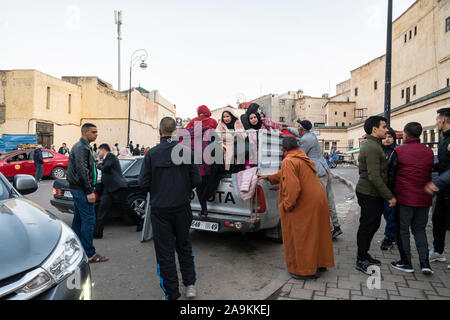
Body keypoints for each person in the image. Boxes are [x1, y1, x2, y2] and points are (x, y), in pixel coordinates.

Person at [139, 117, 202, 300]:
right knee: (184, 246)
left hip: (160, 210)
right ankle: (190, 286)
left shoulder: (151, 154)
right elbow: (197, 180)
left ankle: (172, 294)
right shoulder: (186, 152)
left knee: (164, 252)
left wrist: (159, 187)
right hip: (182, 207)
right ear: (175, 131)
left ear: (159, 132)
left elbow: (143, 183)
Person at [258, 136, 335, 279]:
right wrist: (269, 177)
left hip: (305, 203)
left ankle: (305, 271)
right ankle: (319, 264)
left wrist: (287, 205)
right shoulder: (301, 157)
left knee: (302, 236)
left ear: (283, 149)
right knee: (317, 233)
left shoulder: (288, 161)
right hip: (318, 199)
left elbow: (293, 188)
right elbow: (285, 174)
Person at [389, 122, 434, 275]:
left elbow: (391, 174)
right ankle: (425, 263)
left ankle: (406, 262)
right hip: (424, 198)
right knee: (420, 230)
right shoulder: (428, 152)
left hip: (404, 197)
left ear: (405, 134)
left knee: (403, 230)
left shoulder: (399, 151)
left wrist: (390, 194)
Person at [355, 116, 396, 275]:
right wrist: (389, 196)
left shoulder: (374, 144)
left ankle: (364, 254)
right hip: (369, 193)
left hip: (373, 193)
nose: (386, 130)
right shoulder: (372, 147)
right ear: (374, 129)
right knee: (367, 226)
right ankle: (361, 259)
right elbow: (374, 176)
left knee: (373, 225)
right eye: (384, 127)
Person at [67, 123, 109, 263]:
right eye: (94, 132)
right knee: (89, 220)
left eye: (96, 132)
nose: (96, 134)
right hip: (81, 190)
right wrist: (89, 191)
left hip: (79, 189)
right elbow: (82, 170)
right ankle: (90, 254)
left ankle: (75, 249)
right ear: (85, 133)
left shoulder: (83, 147)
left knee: (78, 220)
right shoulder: (81, 147)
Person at [297, 120, 343, 240]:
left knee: (320, 202)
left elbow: (300, 155)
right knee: (330, 200)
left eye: (298, 127)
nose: (297, 128)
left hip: (318, 173)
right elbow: (298, 134)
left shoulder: (305, 140)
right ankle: (336, 226)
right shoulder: (311, 135)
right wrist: (287, 128)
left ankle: (327, 230)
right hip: (325, 171)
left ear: (302, 129)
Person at [424, 108, 450, 265]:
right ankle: (438, 252)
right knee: (437, 219)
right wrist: (427, 166)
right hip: (444, 189)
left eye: (437, 119)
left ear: (444, 120)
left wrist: (436, 183)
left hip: (444, 185)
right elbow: (444, 164)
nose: (436, 122)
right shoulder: (444, 139)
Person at [94, 144, 129, 239]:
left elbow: (106, 168)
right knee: (102, 210)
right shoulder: (106, 159)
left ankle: (139, 221)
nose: (98, 153)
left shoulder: (111, 156)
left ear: (103, 150)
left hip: (117, 188)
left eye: (99, 151)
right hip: (108, 189)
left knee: (125, 208)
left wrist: (99, 165)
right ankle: (98, 233)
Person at [380, 128, 398, 250]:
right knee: (386, 214)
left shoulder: (396, 152)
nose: (387, 139)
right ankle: (393, 235)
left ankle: (390, 237)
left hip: (390, 189)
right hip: (379, 189)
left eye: (390, 137)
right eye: (385, 136)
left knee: (390, 214)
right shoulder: (377, 150)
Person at [216, 108, 246, 173]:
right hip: (225, 148)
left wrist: (237, 134)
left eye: (227, 116)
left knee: (239, 169)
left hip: (238, 149)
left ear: (231, 116)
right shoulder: (220, 125)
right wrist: (231, 136)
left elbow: (244, 135)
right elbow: (218, 137)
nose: (226, 118)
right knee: (229, 169)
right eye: (224, 117)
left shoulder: (237, 122)